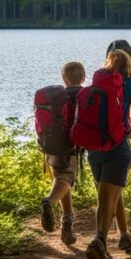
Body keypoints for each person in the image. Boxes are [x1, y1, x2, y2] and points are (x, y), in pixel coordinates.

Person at [84, 47, 131, 259]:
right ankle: (99, 240)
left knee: (109, 193)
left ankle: (124, 236)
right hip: (118, 149)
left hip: (94, 149)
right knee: (108, 197)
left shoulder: (97, 85)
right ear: (129, 65)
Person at [39, 61, 84, 245]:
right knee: (65, 179)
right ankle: (50, 201)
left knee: (61, 179)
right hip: (69, 145)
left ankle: (67, 228)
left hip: (50, 143)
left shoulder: (57, 97)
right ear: (83, 77)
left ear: (64, 78)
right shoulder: (83, 94)